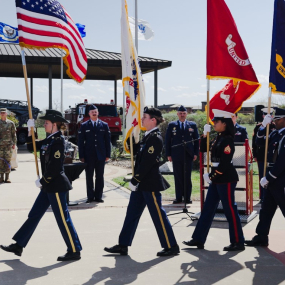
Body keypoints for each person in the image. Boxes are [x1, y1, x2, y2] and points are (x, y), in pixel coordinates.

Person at [0, 110, 82, 261]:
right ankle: (19, 245)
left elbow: (56, 167)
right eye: (44, 123)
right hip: (48, 186)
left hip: (55, 186)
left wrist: (43, 181)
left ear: (55, 125)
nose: (44, 125)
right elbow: (33, 148)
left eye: (46, 123)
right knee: (34, 215)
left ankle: (74, 250)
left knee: (63, 219)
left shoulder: (58, 141)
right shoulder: (50, 139)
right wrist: (31, 132)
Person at [104, 107, 180, 257]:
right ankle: (123, 244)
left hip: (149, 183)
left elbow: (147, 162)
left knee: (158, 215)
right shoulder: (147, 136)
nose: (142, 120)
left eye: (144, 117)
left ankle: (171, 245)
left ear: (153, 120)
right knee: (131, 214)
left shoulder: (155, 138)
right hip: (141, 184)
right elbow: (137, 154)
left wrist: (135, 179)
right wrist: (132, 138)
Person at [183, 109, 245, 251]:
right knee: (208, 209)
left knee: (230, 210)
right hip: (217, 178)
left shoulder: (228, 139)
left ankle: (237, 241)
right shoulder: (218, 137)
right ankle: (198, 239)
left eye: (216, 121)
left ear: (224, 123)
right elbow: (204, 149)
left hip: (226, 178)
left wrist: (211, 176)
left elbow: (224, 162)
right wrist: (205, 135)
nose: (214, 123)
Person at [245, 107, 285, 247]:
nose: (274, 122)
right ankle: (261, 236)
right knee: (266, 210)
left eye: (276, 119)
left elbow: (282, 162)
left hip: (281, 180)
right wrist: (262, 126)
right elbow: (260, 142)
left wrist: (269, 177)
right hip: (271, 180)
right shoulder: (275, 134)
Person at [165, 105, 199, 204]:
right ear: (177, 114)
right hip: (176, 154)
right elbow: (168, 140)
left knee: (187, 176)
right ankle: (178, 197)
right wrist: (168, 154)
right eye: (180, 113)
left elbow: (196, 141)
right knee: (178, 176)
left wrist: (195, 153)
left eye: (184, 113)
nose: (182, 115)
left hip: (189, 154)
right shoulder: (172, 125)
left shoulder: (192, 125)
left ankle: (187, 197)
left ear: (187, 114)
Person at [78, 105, 111, 203]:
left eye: (95, 112)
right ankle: (90, 197)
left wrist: (108, 154)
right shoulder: (84, 126)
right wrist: (81, 156)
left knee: (100, 176)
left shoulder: (104, 125)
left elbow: (107, 141)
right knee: (89, 176)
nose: (94, 113)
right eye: (92, 112)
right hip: (89, 156)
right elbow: (81, 142)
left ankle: (98, 196)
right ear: (89, 114)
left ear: (98, 113)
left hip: (101, 155)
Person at [252, 108, 275, 203]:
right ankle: (262, 197)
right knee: (262, 176)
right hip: (261, 156)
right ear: (263, 116)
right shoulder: (258, 127)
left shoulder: (275, 126)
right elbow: (254, 142)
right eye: (265, 114)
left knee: (272, 177)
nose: (268, 116)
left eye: (270, 114)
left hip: (273, 156)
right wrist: (255, 155)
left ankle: (273, 196)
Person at [0, 108, 17, 183]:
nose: (3, 114)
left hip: (8, 145)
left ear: (6, 114)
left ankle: (7, 177)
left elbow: (14, 134)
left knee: (7, 161)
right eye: (1, 113)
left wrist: (14, 143)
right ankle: (1, 177)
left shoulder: (11, 123)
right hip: (0, 146)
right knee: (0, 161)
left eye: (4, 113)